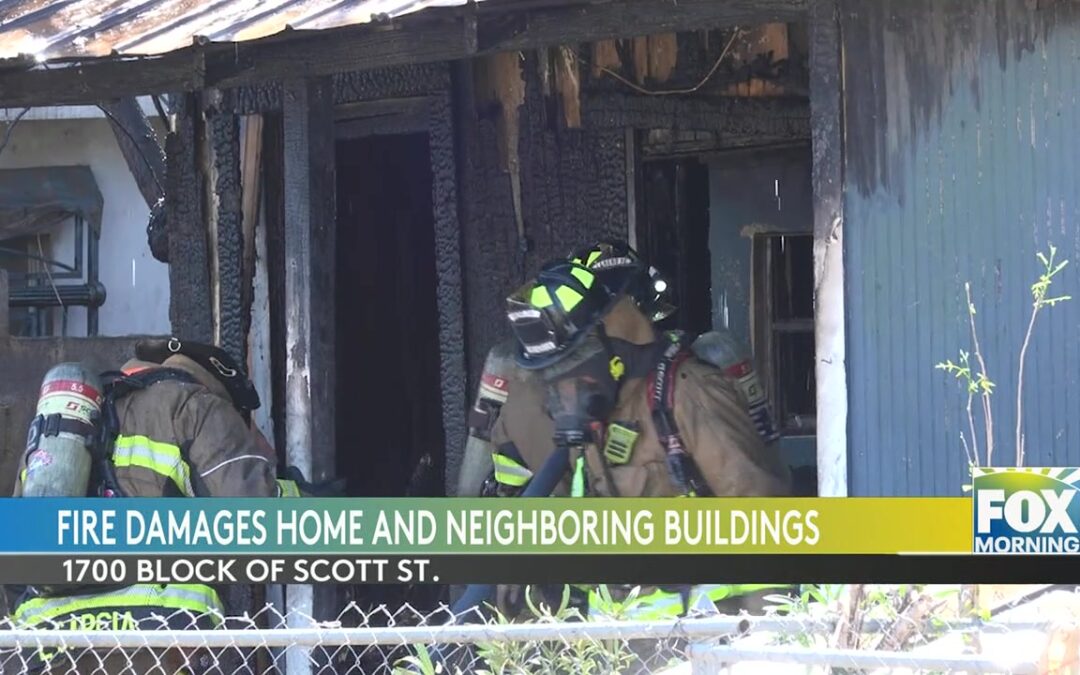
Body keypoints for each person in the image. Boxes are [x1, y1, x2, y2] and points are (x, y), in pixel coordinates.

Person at [488, 257, 792, 622]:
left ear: (614, 350)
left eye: (573, 371)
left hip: (705, 646)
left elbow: (764, 525)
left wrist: (769, 644)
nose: (564, 392)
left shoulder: (685, 394)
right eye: (553, 377)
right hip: (617, 649)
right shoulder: (594, 423)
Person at [8, 337, 330, 674]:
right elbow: (254, 514)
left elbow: (16, 558)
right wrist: (317, 505)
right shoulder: (192, 404)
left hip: (47, 645)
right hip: (157, 638)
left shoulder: (57, 431)